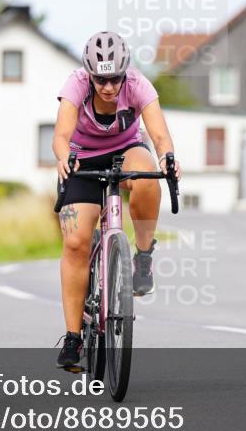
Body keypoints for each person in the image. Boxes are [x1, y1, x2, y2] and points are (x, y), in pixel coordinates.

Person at [52, 31, 181, 369]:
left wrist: (168, 157)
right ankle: (73, 336)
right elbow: (61, 135)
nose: (108, 87)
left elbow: (159, 134)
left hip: (127, 150)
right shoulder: (75, 85)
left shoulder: (138, 86)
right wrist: (64, 157)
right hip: (82, 157)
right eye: (100, 79)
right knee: (77, 241)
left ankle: (142, 255)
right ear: (89, 74)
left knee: (148, 176)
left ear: (125, 72)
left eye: (114, 79)